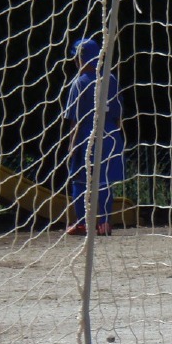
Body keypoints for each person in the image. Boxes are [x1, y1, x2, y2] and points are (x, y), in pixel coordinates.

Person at [65, 37, 125, 236]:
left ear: (80, 59)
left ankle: (82, 223)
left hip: (86, 136)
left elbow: (75, 120)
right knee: (104, 181)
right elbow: (118, 115)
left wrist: (72, 146)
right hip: (110, 135)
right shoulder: (111, 80)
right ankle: (105, 223)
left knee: (79, 181)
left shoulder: (78, 83)